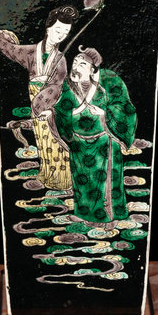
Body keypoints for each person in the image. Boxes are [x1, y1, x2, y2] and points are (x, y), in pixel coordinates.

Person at [0, 5, 79, 190]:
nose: (61, 35)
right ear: (48, 28)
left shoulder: (61, 59)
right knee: (42, 141)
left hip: (51, 107)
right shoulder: (32, 52)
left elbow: (59, 87)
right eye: (58, 30)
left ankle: (63, 181)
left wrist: (49, 109)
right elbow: (11, 49)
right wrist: (1, 36)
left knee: (55, 141)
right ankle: (46, 176)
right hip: (36, 100)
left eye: (65, 32)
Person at [53, 46, 137, 225]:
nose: (77, 66)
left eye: (82, 64)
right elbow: (61, 110)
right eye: (75, 62)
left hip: (103, 142)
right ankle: (84, 214)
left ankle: (108, 217)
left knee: (102, 182)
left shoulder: (103, 88)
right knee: (82, 181)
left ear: (92, 70)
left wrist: (103, 114)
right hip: (78, 144)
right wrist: (61, 114)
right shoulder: (67, 87)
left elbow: (122, 108)